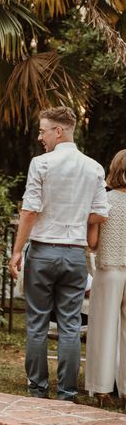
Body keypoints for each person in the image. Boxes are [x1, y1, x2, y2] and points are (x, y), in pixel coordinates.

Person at [9, 106, 110, 401]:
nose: (40, 137)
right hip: (75, 255)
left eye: (43, 130)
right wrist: (80, 225)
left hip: (42, 252)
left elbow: (29, 210)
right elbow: (100, 214)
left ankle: (38, 389)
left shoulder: (41, 164)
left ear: (59, 131)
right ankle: (67, 392)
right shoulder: (94, 167)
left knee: (37, 322)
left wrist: (17, 251)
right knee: (69, 325)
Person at [85, 149, 126, 407]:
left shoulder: (104, 201)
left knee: (103, 326)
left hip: (109, 268)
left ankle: (101, 390)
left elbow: (92, 242)